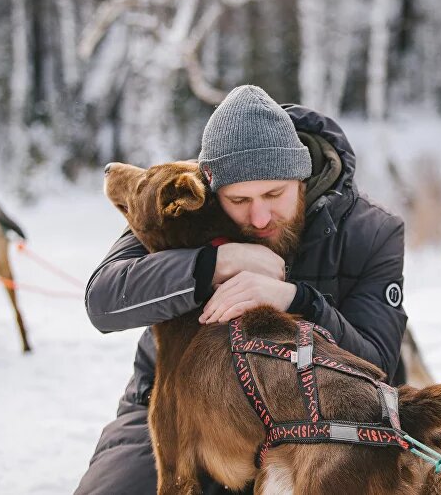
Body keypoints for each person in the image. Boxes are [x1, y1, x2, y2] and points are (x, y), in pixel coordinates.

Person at [75, 85, 407, 495]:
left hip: (316, 415)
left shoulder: (370, 232)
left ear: (302, 176)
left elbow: (378, 363)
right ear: (213, 192)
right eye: (239, 200)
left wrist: (298, 300)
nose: (261, 216)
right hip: (174, 406)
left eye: (274, 193)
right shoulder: (186, 199)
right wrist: (211, 265)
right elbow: (103, 300)